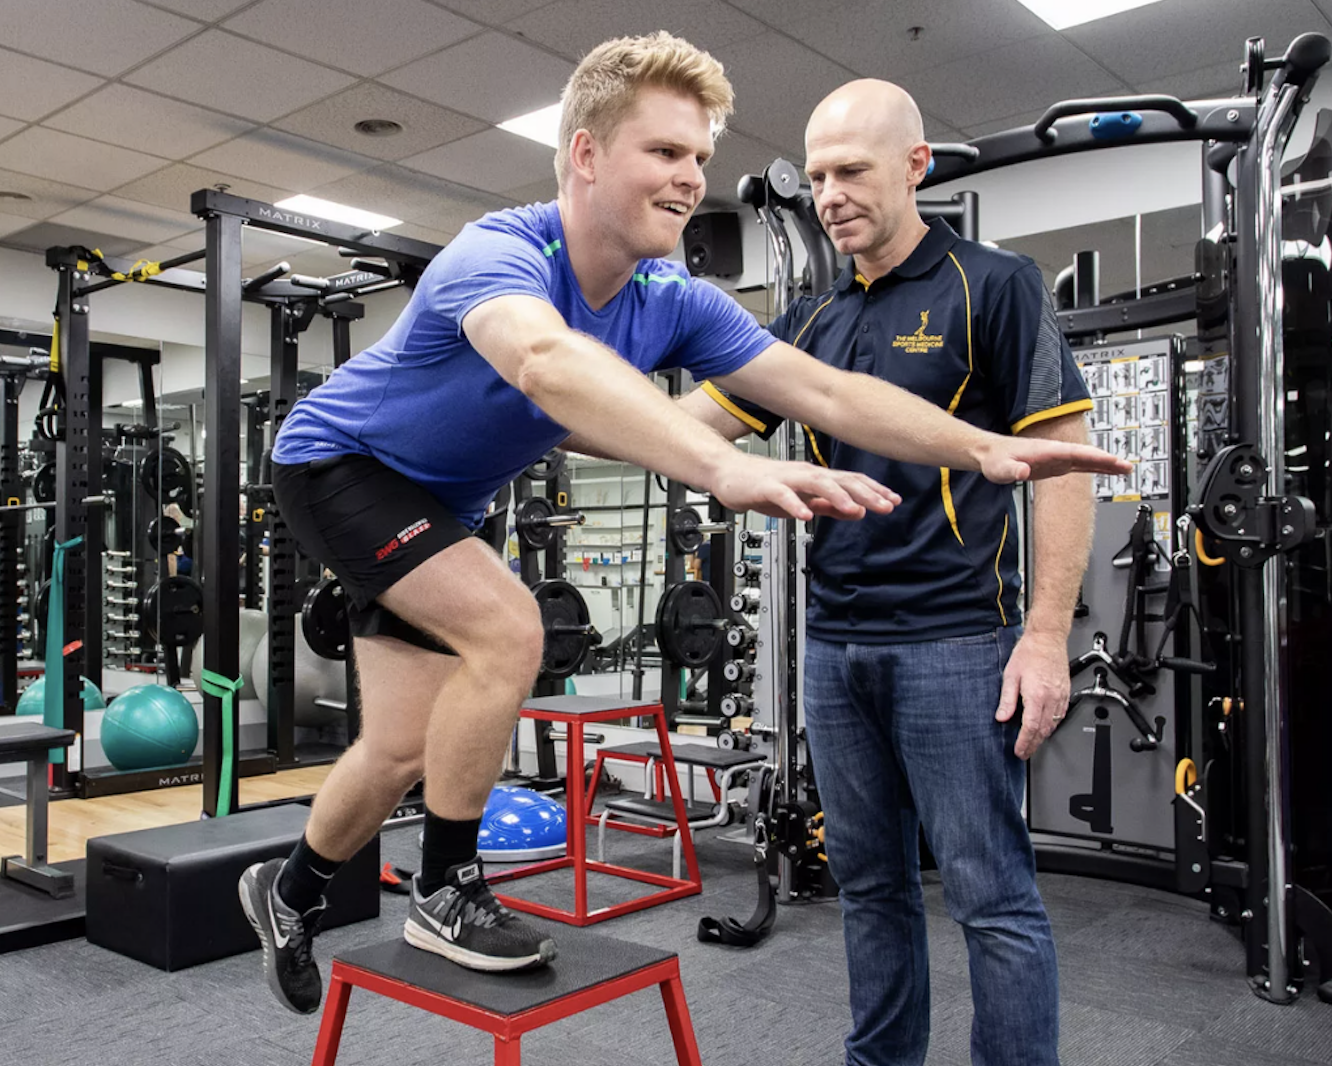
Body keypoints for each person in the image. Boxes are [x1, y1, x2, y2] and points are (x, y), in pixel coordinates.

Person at [239, 34, 1124, 1018]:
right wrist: (721, 467)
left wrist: (981, 449)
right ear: (584, 155)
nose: (691, 177)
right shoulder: (498, 254)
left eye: (699, 157)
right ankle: (447, 890)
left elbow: (821, 389)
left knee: (402, 748)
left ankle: (291, 888)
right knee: (508, 628)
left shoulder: (673, 300)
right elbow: (542, 365)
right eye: (665, 152)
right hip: (341, 465)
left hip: (446, 508)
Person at [688, 80, 1088, 1065]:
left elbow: (1064, 469)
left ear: (916, 167)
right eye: (817, 174)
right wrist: (547, 399)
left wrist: (1045, 635)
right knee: (869, 887)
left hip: (956, 639)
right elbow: (695, 427)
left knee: (991, 896)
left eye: (851, 170)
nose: (828, 193)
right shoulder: (807, 316)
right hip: (836, 647)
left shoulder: (995, 285)